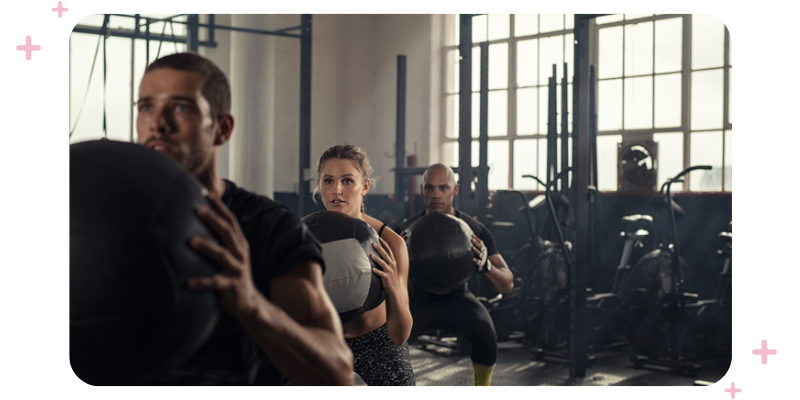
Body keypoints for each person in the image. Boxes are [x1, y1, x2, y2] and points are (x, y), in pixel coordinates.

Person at [135, 52, 354, 385]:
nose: (158, 122)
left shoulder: (271, 227)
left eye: (181, 107)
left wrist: (251, 304)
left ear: (221, 129)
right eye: (146, 107)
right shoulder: (114, 217)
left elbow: (336, 372)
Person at [397, 163, 514, 386]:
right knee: (384, 338)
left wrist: (486, 266)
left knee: (485, 332)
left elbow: (507, 284)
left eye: (443, 188)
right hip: (417, 300)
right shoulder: (406, 230)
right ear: (422, 190)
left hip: (457, 298)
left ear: (455, 190)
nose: (436, 195)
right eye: (430, 188)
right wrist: (397, 259)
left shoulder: (475, 231)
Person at [312, 144, 415, 386]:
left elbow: (400, 336)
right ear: (320, 185)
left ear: (365, 186)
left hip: (377, 343)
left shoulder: (391, 243)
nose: (337, 190)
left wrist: (390, 286)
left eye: (347, 181)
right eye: (328, 181)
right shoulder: (303, 236)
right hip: (324, 342)